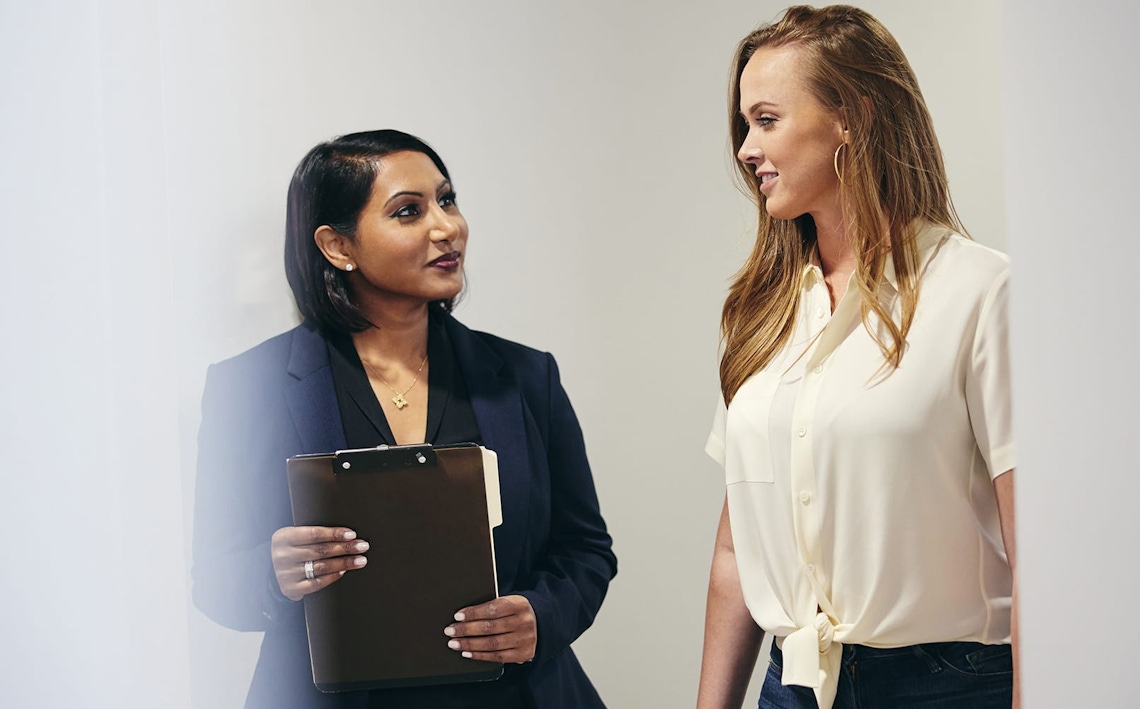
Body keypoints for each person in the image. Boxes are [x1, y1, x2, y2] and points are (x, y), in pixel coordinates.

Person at [191, 129, 617, 709]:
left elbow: (586, 549)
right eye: (409, 212)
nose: (447, 227)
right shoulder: (249, 387)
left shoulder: (524, 376)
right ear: (337, 246)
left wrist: (540, 617)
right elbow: (214, 579)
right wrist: (274, 572)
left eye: (447, 200)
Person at [696, 6, 1016, 709]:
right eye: (744, 126)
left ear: (853, 117)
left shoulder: (981, 291)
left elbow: (1039, 552)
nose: (747, 149)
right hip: (792, 685)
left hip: (948, 689)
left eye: (767, 120)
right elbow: (734, 550)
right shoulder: (763, 308)